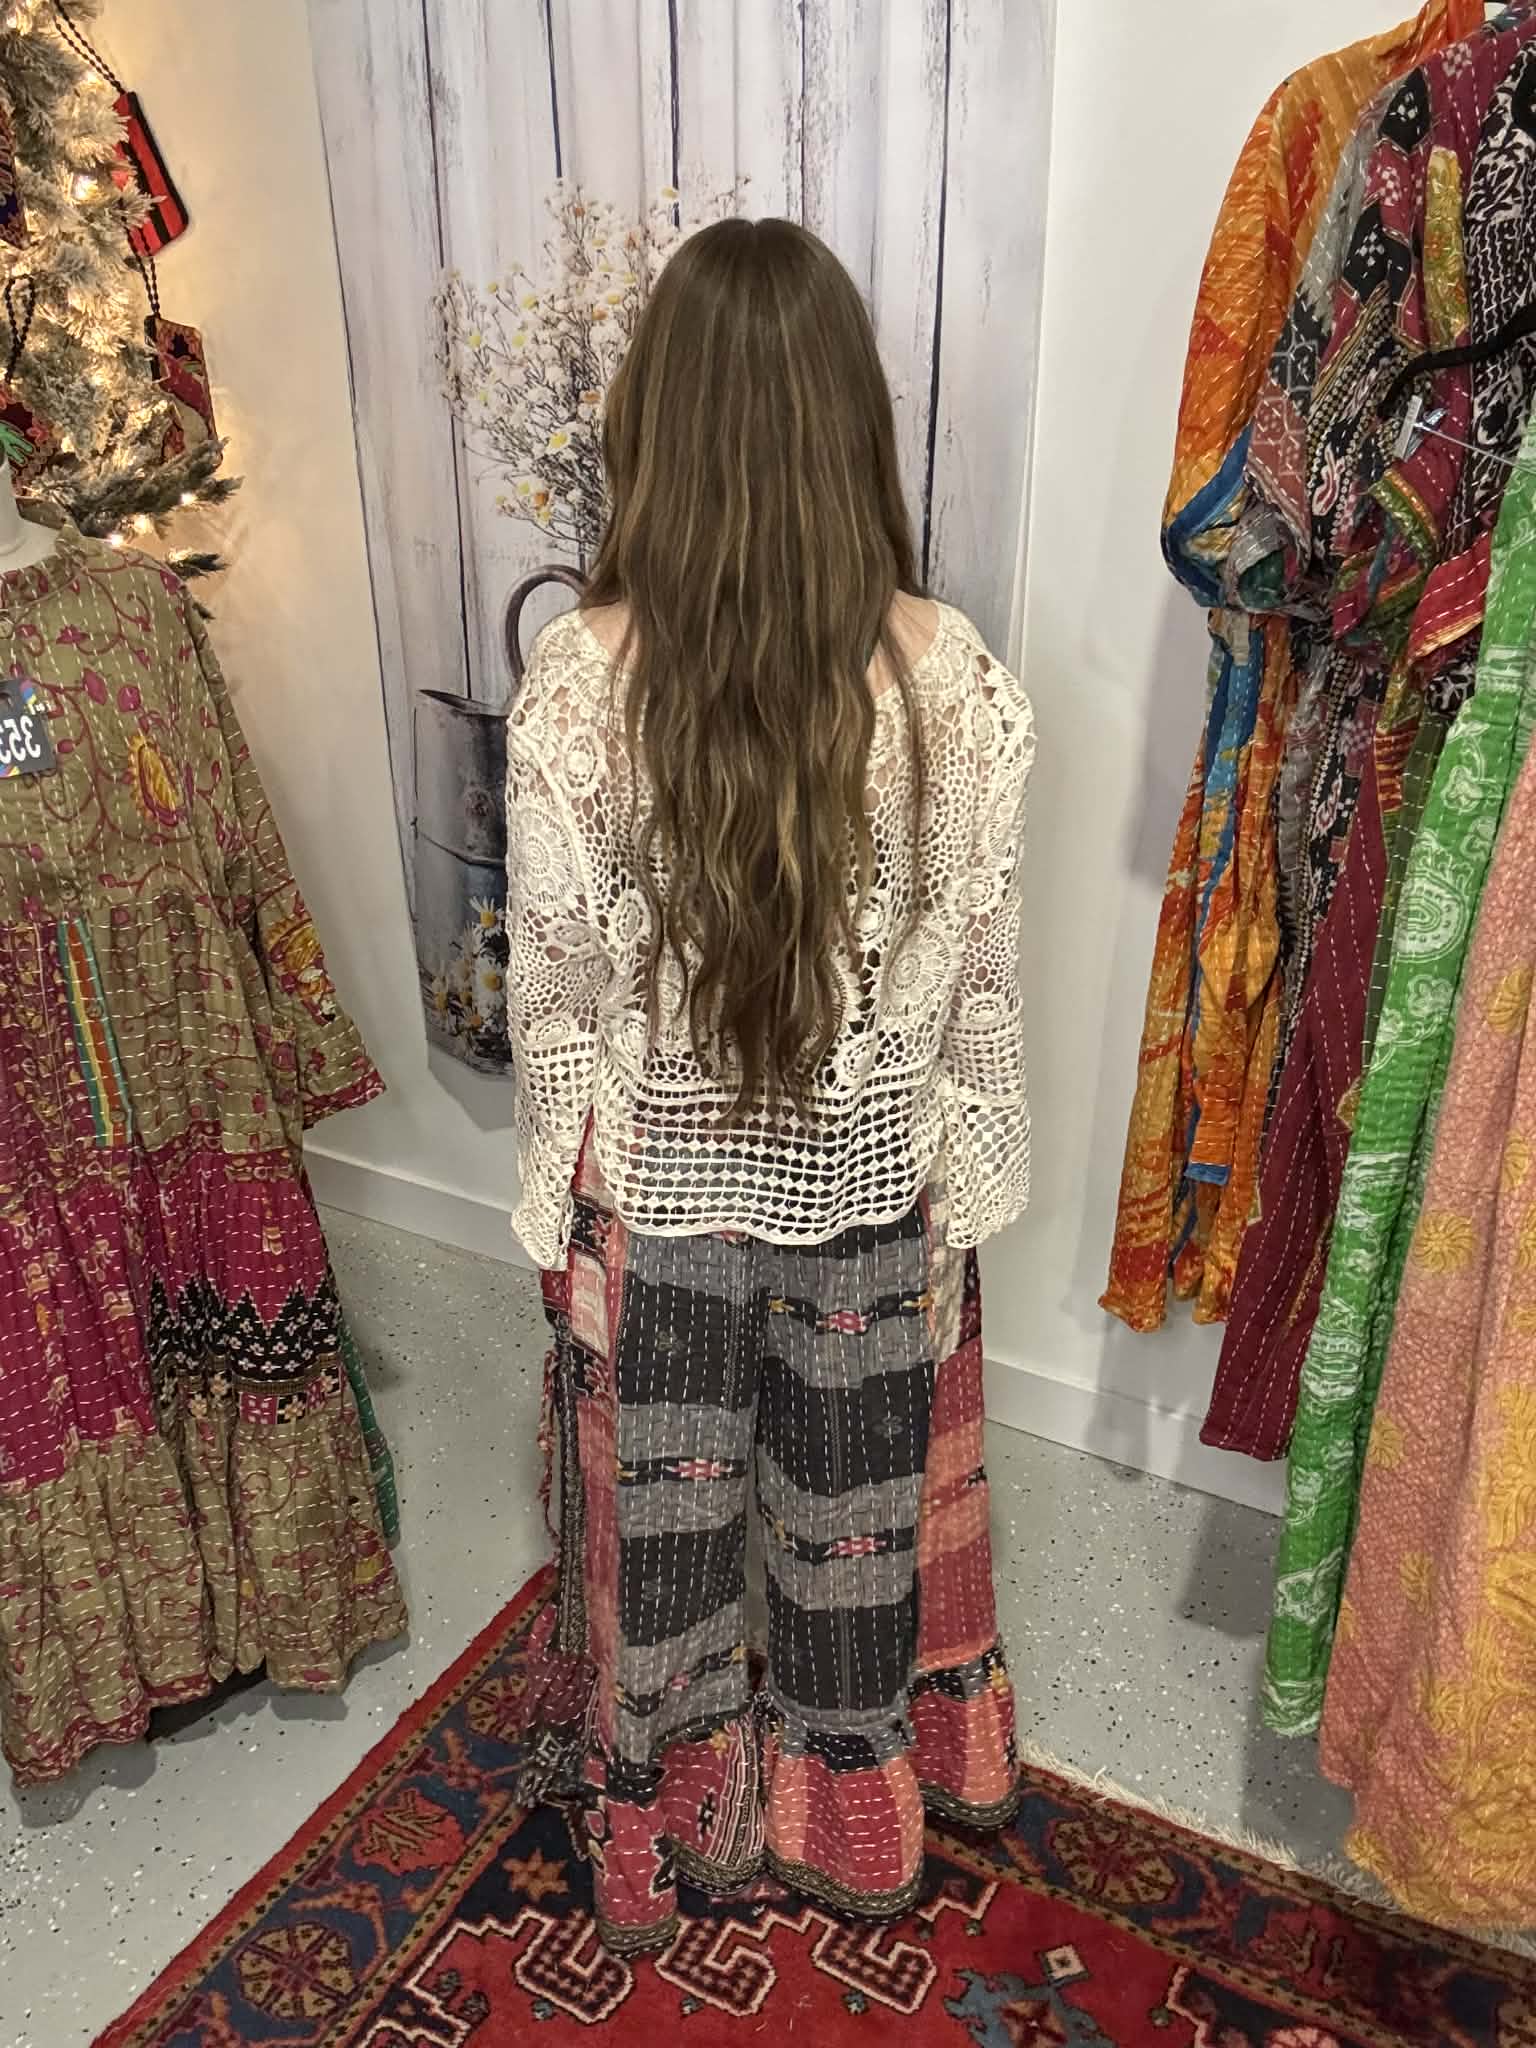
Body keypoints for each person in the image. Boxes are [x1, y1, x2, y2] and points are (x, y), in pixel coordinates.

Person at [504, 216, 1035, 1954]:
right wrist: (962, 1190)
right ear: (848, 422)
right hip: (873, 1193)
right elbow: (976, 977)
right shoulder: (952, 679)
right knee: (853, 1536)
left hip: (658, 1208)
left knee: (659, 1554)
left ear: (654, 421)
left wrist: (558, 1208)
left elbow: (557, 1000)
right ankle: (849, 1809)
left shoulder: (578, 686)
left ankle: (672, 1820)